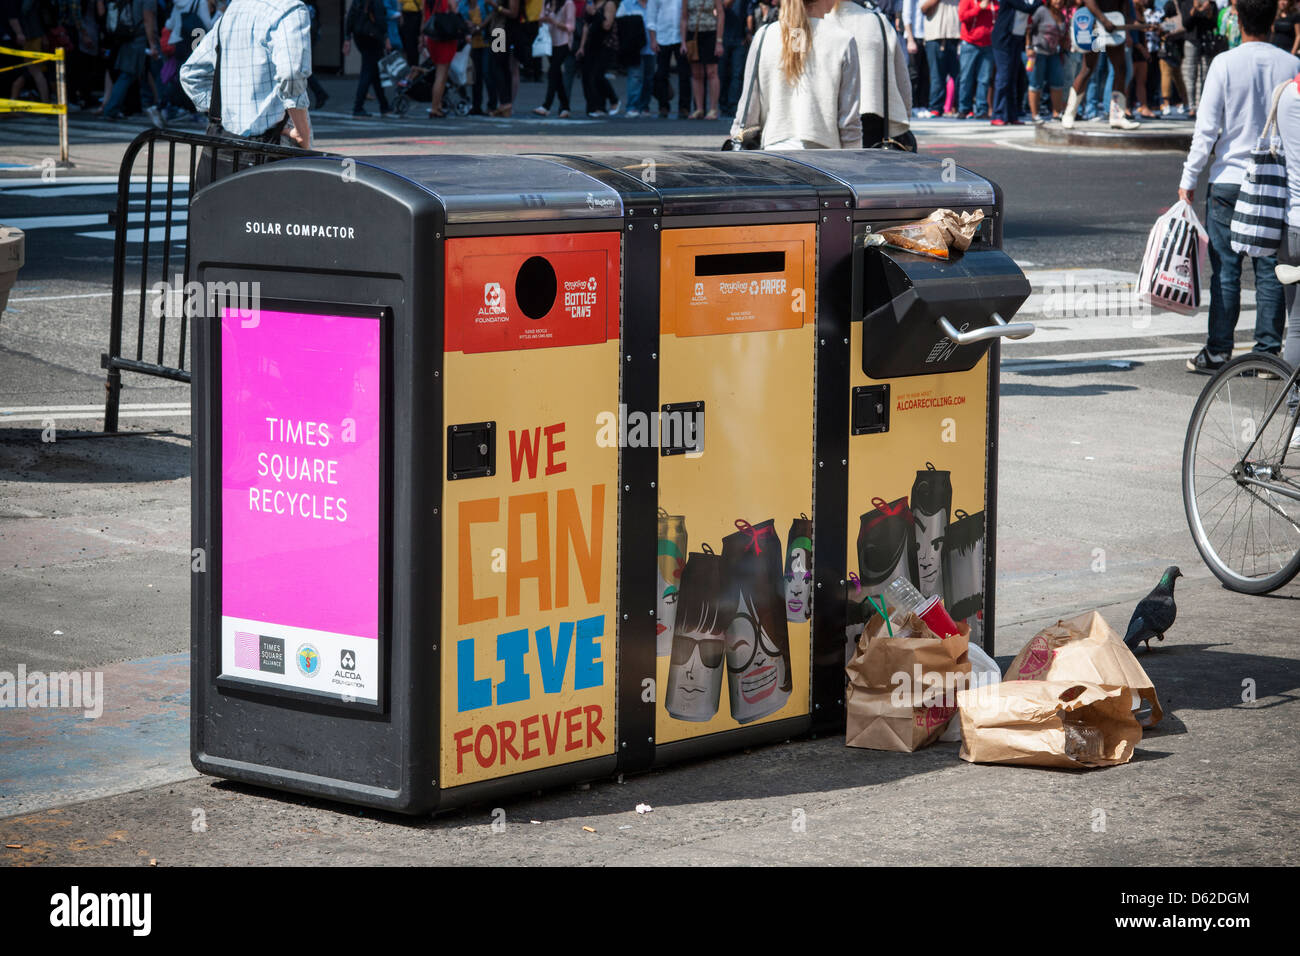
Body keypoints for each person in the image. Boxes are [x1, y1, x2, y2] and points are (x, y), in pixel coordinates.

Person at [1179, 0, 1299, 371]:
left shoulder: (1224, 63)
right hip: (1273, 183)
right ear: (1273, 19)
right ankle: (1266, 353)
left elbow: (1207, 130)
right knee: (1268, 270)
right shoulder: (1290, 64)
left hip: (1229, 180)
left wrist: (1188, 179)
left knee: (1226, 271)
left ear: (1238, 18)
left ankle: (1218, 351)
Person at [729, 0, 861, 147]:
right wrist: (853, 160)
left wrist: (737, 138)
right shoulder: (842, 40)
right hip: (825, 157)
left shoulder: (764, 36)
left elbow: (748, 112)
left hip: (775, 153)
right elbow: (849, 122)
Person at [826, 0, 914, 146]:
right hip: (874, 116)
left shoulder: (819, 22)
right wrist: (904, 118)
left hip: (829, 120)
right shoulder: (879, 22)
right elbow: (903, 83)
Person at [1061, 0, 1140, 127]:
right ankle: (1069, 114)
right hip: (1096, 27)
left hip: (1114, 25)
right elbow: (1089, 2)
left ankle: (1117, 116)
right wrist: (1104, 20)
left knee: (1120, 69)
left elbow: (1124, 5)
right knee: (1087, 69)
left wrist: (1125, 28)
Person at [102, 0, 164, 123]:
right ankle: (111, 108)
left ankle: (157, 106)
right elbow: (148, 18)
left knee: (140, 74)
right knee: (130, 75)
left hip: (132, 39)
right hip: (141, 41)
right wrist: (152, 44)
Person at [992, 0, 1041, 124]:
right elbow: (1026, 8)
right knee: (1003, 78)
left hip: (1016, 39)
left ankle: (1011, 115)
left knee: (1013, 78)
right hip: (1003, 40)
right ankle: (998, 115)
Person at [343, 0, 392, 115]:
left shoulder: (357, 2)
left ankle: (384, 105)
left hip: (359, 36)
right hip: (373, 37)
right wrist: (385, 37)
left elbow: (351, 16)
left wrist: (347, 38)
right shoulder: (377, 2)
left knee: (374, 72)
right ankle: (358, 107)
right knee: (368, 71)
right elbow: (381, 20)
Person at [681, 0, 724, 117]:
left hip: (711, 33)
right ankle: (699, 108)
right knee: (696, 73)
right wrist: (683, 41)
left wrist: (719, 41)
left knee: (712, 72)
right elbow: (684, 17)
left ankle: (713, 109)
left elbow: (720, 14)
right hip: (693, 35)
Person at [647, 0, 690, 115]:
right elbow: (651, 17)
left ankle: (684, 107)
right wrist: (653, 40)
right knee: (661, 74)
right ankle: (663, 105)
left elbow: (686, 15)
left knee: (684, 74)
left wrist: (684, 41)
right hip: (662, 37)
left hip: (679, 37)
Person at [575, 0, 617, 114]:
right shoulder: (590, 4)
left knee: (597, 75)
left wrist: (596, 13)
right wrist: (582, 46)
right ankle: (594, 107)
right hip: (591, 45)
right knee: (587, 77)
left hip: (604, 45)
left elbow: (607, 25)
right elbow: (585, 26)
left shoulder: (609, 4)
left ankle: (613, 100)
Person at [1027, 0, 1066, 119]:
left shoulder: (1062, 15)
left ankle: (1056, 113)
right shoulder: (1042, 11)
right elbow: (1029, 29)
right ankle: (1035, 114)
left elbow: (1062, 35)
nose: (1058, 1)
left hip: (1054, 53)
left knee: (1057, 82)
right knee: (1036, 83)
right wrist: (1028, 47)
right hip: (1038, 52)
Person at [534, 0, 574, 114]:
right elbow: (540, 19)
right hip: (550, 42)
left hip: (564, 42)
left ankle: (547, 105)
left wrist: (554, 22)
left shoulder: (568, 4)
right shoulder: (547, 3)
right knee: (557, 75)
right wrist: (543, 20)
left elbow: (570, 27)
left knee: (553, 71)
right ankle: (565, 107)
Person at [920, 0, 959, 115]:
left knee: (959, 76)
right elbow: (923, 9)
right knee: (937, 76)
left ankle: (962, 108)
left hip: (956, 36)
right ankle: (936, 107)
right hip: (935, 37)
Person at [616, 0, 655, 115]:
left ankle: (644, 106)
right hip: (633, 49)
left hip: (651, 47)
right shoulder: (626, 4)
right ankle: (632, 106)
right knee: (635, 77)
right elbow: (619, 25)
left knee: (649, 78)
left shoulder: (653, 3)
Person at [957, 0, 994, 119]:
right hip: (969, 43)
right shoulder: (967, 1)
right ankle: (964, 109)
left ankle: (982, 110)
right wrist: (979, 8)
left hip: (988, 45)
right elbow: (962, 17)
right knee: (966, 78)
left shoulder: (994, 3)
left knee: (984, 79)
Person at [422, 0, 459, 117]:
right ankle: (435, 107)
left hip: (432, 36)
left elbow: (424, 18)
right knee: (441, 75)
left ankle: (438, 105)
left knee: (439, 72)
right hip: (445, 37)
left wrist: (421, 37)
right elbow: (455, 12)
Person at [1180, 0, 1214, 116]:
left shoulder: (1211, 3)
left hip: (1207, 41)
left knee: (1206, 75)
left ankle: (1204, 105)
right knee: (1191, 74)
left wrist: (1208, 10)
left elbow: (1213, 24)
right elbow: (1186, 23)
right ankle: (1191, 107)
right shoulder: (1187, 3)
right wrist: (1194, 9)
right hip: (1191, 40)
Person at [718, 0, 749, 115]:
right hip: (723, 37)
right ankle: (723, 104)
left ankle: (734, 104)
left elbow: (748, 13)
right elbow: (723, 7)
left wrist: (747, 34)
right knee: (722, 73)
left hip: (739, 38)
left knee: (737, 74)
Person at [1158, 0, 1189, 114]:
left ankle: (1166, 104)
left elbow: (1162, 24)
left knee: (1166, 74)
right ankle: (1186, 102)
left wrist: (1163, 27)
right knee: (1178, 76)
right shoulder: (1185, 4)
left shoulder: (1170, 4)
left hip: (1169, 45)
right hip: (1180, 45)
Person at [902, 0, 931, 114]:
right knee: (913, 73)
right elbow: (906, 15)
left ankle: (923, 104)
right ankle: (913, 105)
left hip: (927, 36)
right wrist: (910, 39)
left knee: (925, 73)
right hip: (914, 36)